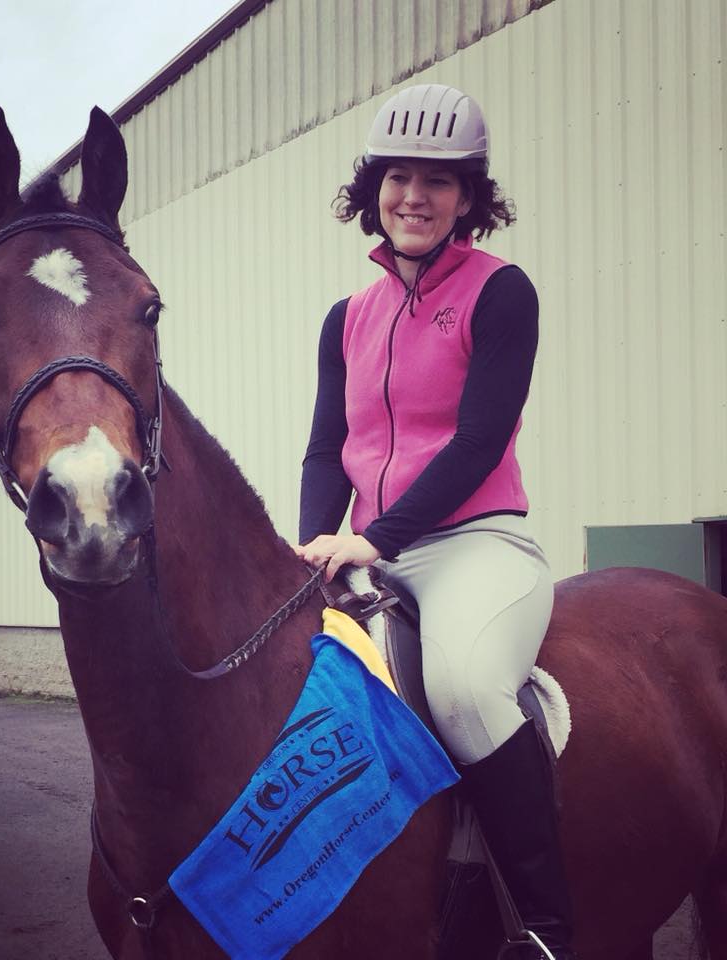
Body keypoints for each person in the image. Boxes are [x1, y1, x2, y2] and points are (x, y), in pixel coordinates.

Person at [294, 83, 574, 960]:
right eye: (399, 177)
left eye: (439, 181)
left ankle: (544, 927)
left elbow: (479, 443)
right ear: (373, 187)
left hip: (476, 546)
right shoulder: (346, 319)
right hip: (368, 552)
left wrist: (373, 538)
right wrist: (311, 549)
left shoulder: (502, 293)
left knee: (462, 690)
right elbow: (325, 450)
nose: (414, 197)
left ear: (468, 198)